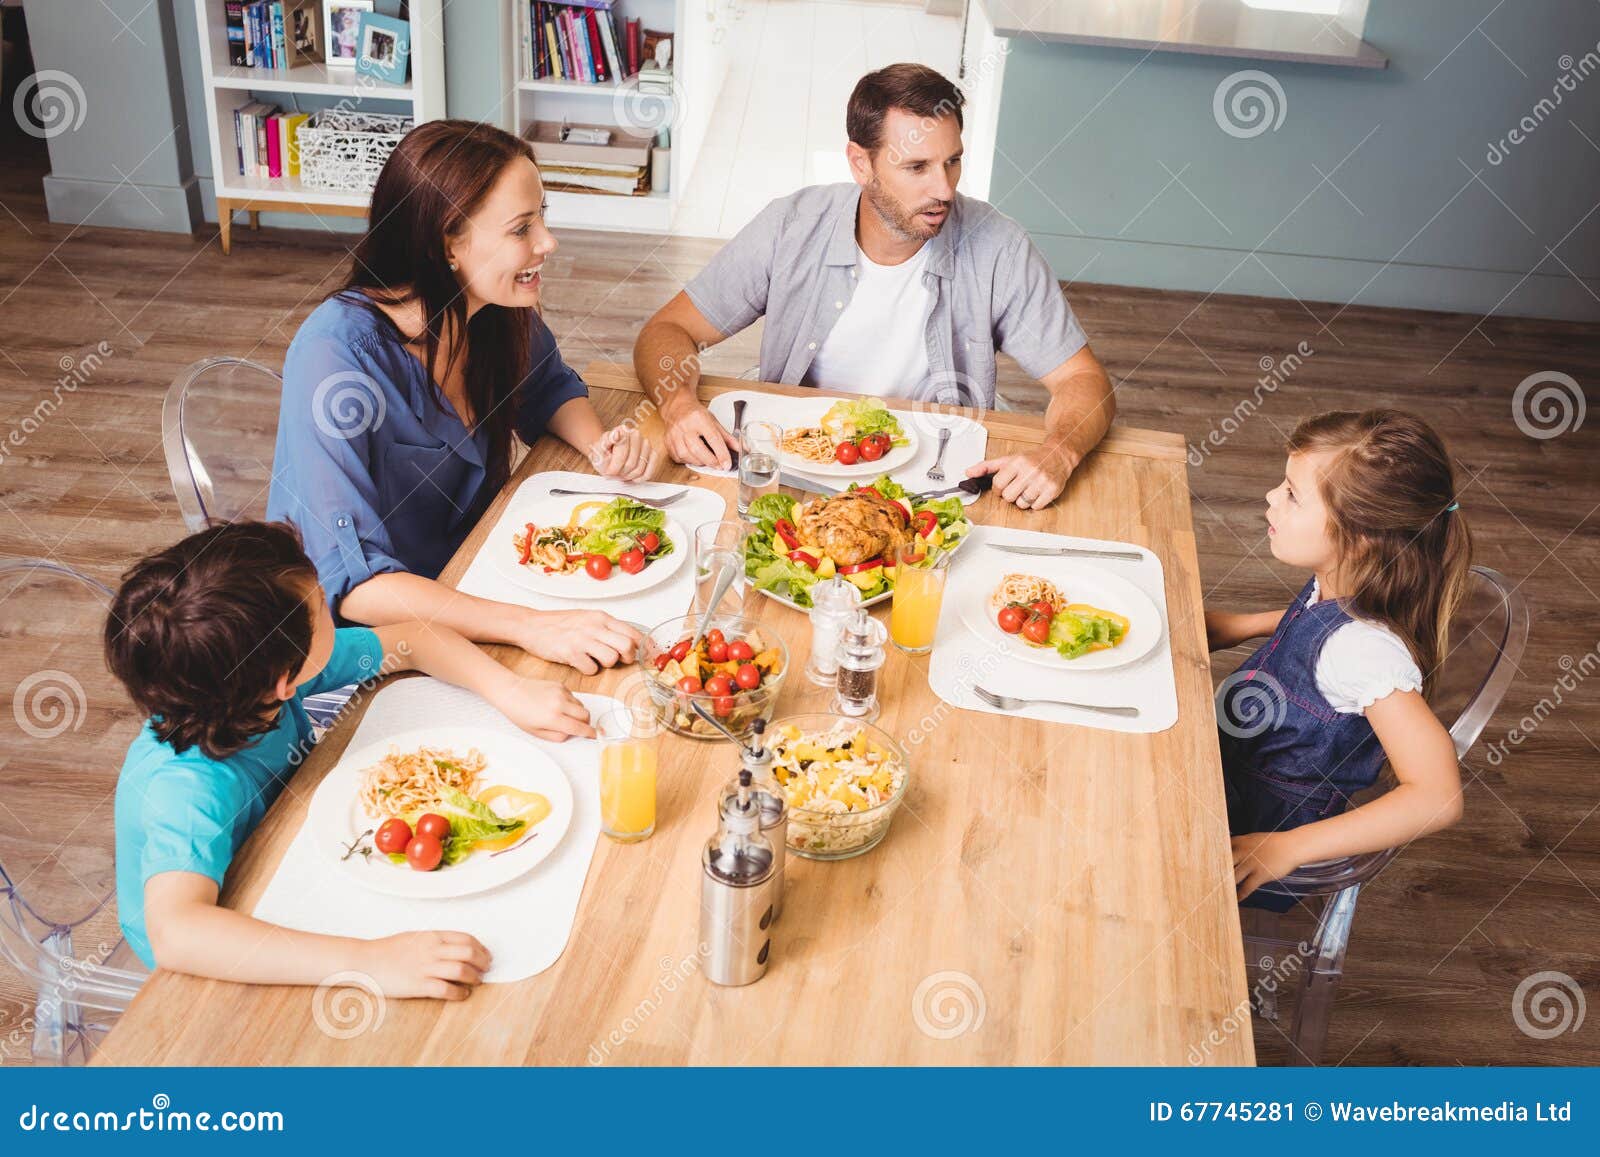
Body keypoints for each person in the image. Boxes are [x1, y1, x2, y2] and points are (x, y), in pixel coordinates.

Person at [107, 521, 594, 993]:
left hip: (293, 853)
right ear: (285, 679)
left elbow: (414, 639)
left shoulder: (254, 682)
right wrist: (369, 962)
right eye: (321, 604)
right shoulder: (187, 787)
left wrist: (509, 690)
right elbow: (178, 934)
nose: (331, 606)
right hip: (221, 957)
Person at [633, 63, 1115, 510]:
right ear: (861, 164)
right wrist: (677, 406)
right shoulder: (791, 225)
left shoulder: (999, 246)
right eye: (917, 167)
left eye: (952, 162)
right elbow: (669, 328)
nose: (945, 189)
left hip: (939, 477)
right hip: (801, 466)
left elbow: (1083, 381)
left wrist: (1059, 451)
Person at [267, 119, 648, 675]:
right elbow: (356, 584)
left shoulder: (494, 311)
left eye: (543, 217)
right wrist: (529, 626)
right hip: (364, 647)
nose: (548, 242)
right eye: (521, 229)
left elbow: (548, 388)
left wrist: (600, 446)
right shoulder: (336, 357)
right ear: (448, 243)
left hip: (479, 578)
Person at [1206, 410, 1472, 906]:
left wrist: (1284, 848)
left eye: (1292, 494)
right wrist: (1239, 626)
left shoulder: (1363, 652)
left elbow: (1439, 796)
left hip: (1242, 834)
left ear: (1362, 532)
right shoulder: (1341, 583)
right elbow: (1315, 629)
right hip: (1219, 772)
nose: (1271, 498)